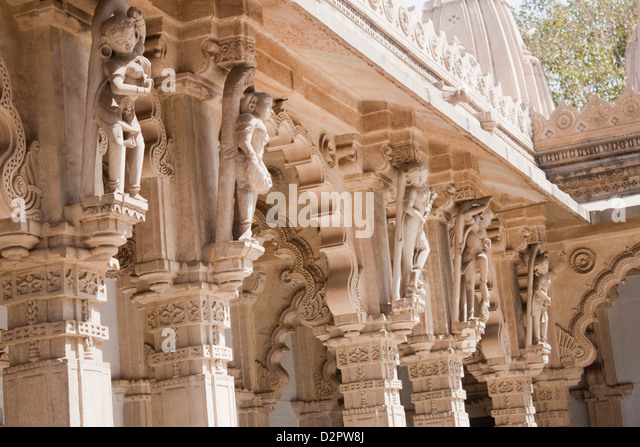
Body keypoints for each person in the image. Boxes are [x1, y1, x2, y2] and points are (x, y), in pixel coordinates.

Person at [96, 7, 152, 200]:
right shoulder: (114, 63)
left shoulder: (135, 52)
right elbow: (118, 87)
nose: (128, 44)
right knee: (118, 140)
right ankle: (115, 188)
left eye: (130, 38)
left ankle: (134, 190)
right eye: (121, 41)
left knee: (139, 144)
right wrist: (142, 90)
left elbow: (142, 37)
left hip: (128, 108)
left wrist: (140, 20)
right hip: (109, 106)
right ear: (108, 44)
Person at [234, 92, 273, 241]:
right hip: (245, 160)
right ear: (254, 103)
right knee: (246, 190)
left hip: (255, 161)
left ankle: (246, 230)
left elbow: (259, 153)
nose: (271, 110)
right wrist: (251, 158)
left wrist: (262, 167)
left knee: (253, 192)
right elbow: (242, 141)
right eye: (268, 105)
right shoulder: (248, 118)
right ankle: (244, 232)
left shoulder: (258, 121)